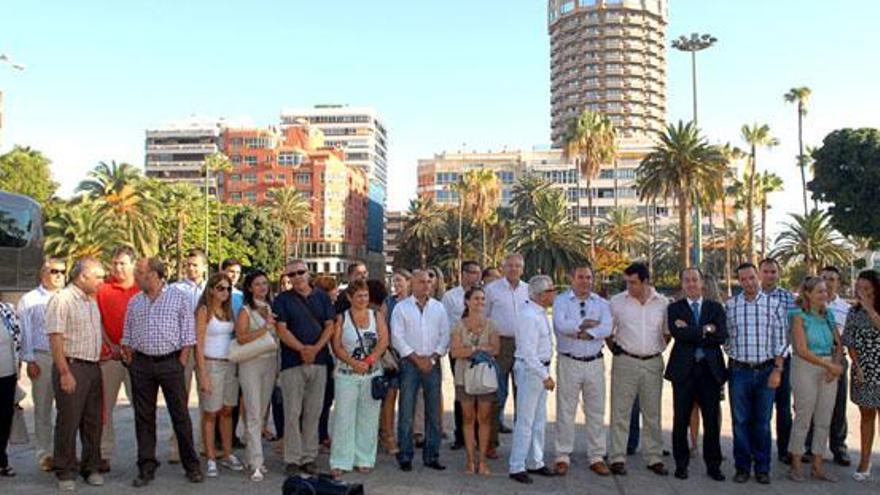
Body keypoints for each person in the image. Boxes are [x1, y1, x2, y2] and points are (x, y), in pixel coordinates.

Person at [121, 257, 203, 487]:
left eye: (139, 273)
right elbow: (127, 332)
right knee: (144, 417)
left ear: (154, 275)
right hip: (141, 365)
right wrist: (128, 351)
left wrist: (181, 361)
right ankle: (146, 466)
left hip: (171, 363)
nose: (135, 276)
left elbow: (188, 333)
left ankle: (192, 465)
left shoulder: (178, 298)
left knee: (180, 415)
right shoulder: (135, 301)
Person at [45, 257, 106, 492]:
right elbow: (55, 337)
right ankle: (65, 470)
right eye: (98, 276)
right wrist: (64, 372)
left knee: (93, 421)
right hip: (72, 366)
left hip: (92, 367)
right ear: (82, 276)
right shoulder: (62, 300)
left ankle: (91, 467)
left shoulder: (91, 300)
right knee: (68, 420)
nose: (102, 281)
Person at [725, 262, 788, 485]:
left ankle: (762, 468)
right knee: (740, 422)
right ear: (738, 281)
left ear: (757, 277)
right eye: (743, 279)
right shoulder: (730, 306)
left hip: (766, 371)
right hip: (739, 372)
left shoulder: (774, 306)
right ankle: (742, 467)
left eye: (752, 277)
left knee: (762, 422)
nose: (748, 282)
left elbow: (782, 341)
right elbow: (726, 338)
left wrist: (778, 370)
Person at [273, 260, 335, 476]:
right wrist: (302, 350)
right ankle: (292, 458)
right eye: (292, 274)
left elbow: (330, 326)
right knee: (292, 412)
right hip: (292, 363)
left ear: (308, 273)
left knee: (314, 411)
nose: (297, 276)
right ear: (288, 278)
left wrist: (315, 349)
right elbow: (281, 329)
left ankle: (309, 457)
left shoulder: (322, 297)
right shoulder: (282, 300)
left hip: (319, 362)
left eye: (301, 272)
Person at [607, 262, 670, 477]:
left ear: (645, 281)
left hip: (653, 363)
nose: (629, 286)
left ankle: (654, 457)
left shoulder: (662, 303)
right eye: (627, 282)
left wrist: (657, 349)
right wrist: (614, 348)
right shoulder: (617, 302)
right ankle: (617, 457)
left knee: (652, 412)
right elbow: (608, 329)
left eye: (633, 282)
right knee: (620, 411)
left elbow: (667, 332)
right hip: (625, 361)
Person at [665, 268, 727, 481]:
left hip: (710, 372)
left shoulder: (715, 308)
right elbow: (677, 334)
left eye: (694, 280)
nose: (691, 284)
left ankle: (714, 465)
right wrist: (705, 330)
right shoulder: (674, 308)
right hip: (684, 372)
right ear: (682, 284)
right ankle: (681, 464)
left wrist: (692, 330)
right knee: (680, 420)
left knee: (711, 421)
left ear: (702, 283)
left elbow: (721, 336)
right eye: (687, 280)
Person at [552, 263, 612, 477]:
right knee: (566, 410)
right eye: (581, 277)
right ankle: (562, 455)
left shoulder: (602, 303)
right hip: (569, 361)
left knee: (596, 411)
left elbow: (607, 327)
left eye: (588, 277)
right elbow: (561, 325)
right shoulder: (560, 301)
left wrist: (588, 332)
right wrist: (586, 325)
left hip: (595, 362)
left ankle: (596, 456)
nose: (585, 281)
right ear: (572, 278)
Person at [329, 280, 389, 478]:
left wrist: (370, 359)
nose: (363, 300)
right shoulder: (342, 318)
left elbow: (383, 340)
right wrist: (353, 363)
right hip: (347, 373)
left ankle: (364, 458)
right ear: (349, 298)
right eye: (359, 296)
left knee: (368, 418)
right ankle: (340, 460)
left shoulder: (376, 315)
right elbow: (337, 346)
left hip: (371, 373)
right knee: (343, 418)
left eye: (365, 295)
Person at [391, 269, 449, 472]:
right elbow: (397, 338)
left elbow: (445, 335)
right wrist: (416, 358)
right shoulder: (401, 308)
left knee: (433, 413)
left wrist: (432, 357)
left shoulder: (439, 308)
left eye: (428, 281)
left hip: (432, 364)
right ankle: (405, 455)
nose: (426, 285)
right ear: (412, 284)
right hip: (409, 364)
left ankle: (432, 455)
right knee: (406, 411)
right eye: (421, 282)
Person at [787, 276, 844, 482]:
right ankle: (795, 465)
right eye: (820, 291)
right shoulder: (797, 316)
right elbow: (801, 350)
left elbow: (839, 343)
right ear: (808, 294)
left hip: (828, 369)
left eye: (826, 291)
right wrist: (829, 366)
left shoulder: (828, 314)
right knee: (803, 417)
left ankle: (818, 466)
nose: (824, 295)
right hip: (805, 367)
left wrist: (835, 365)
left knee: (824, 419)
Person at [16, 257, 66, 472]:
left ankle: (65, 453)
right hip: (43, 357)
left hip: (67, 357)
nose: (59, 276)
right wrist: (30, 359)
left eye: (63, 272)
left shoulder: (70, 297)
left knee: (68, 410)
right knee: (43, 409)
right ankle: (45, 454)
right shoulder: (29, 300)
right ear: (43, 273)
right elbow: (24, 332)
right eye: (54, 271)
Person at [508, 275, 557, 484]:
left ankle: (535, 460)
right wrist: (544, 375)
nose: (554, 294)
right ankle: (517, 465)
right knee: (526, 421)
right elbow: (529, 352)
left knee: (538, 420)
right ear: (540, 295)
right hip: (532, 371)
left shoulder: (538, 313)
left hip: (538, 370)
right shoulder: (529, 315)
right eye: (551, 290)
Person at [95, 246, 140, 473]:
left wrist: (133, 348)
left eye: (123, 263)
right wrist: (111, 347)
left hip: (137, 358)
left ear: (133, 264)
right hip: (110, 357)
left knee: (142, 407)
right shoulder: (102, 290)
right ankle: (103, 453)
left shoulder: (142, 289)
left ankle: (146, 454)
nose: (118, 267)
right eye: (115, 263)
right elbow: (98, 321)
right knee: (104, 407)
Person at [195, 273, 244, 477]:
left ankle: (227, 453)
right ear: (212, 289)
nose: (225, 292)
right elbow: (198, 343)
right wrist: (203, 374)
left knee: (227, 410)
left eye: (228, 289)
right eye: (221, 288)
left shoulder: (228, 311)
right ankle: (211, 457)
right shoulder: (204, 310)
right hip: (211, 364)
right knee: (210, 413)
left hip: (229, 364)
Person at [803, 266, 852, 466]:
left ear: (838, 282)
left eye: (832, 279)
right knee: (811, 406)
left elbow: (846, 340)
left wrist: (837, 363)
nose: (828, 282)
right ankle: (810, 447)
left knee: (838, 407)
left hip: (837, 360)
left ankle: (839, 447)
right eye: (824, 278)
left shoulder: (846, 309)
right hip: (814, 361)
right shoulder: (809, 307)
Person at [449, 287, 500, 475]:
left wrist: (469, 349)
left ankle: (483, 460)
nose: (480, 302)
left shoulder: (491, 325)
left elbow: (496, 349)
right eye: (476, 298)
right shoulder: (458, 326)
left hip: (485, 378)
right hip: (464, 377)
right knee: (468, 418)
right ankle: (470, 460)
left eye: (482, 299)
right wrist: (478, 349)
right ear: (467, 302)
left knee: (484, 418)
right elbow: (455, 352)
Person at [234, 270, 278, 482]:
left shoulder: (270, 306)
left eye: (265, 283)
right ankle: (257, 463)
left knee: (261, 413)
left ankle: (252, 458)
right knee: (252, 412)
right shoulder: (245, 310)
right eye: (258, 284)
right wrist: (264, 328)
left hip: (269, 362)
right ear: (249, 288)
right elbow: (241, 338)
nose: (262, 287)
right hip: (251, 363)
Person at [442, 261, 487, 453]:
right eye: (472, 272)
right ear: (463, 273)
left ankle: (479, 436)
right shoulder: (451, 297)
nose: (476, 276)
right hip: (459, 351)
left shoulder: (485, 296)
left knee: (481, 391)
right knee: (462, 392)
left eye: (478, 272)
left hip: (481, 351)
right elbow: (444, 323)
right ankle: (460, 435)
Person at [168, 248, 207, 463]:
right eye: (188, 264)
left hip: (205, 350)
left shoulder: (213, 289)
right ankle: (177, 447)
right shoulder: (174, 290)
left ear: (203, 267)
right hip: (182, 350)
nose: (191, 268)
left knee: (206, 399)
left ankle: (201, 445)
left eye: (195, 264)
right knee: (178, 400)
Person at [842, 269, 880, 482]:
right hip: (864, 370)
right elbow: (850, 340)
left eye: (867, 288)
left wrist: (870, 309)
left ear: (875, 288)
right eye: (859, 287)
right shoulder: (853, 312)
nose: (862, 292)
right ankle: (865, 461)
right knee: (866, 416)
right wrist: (857, 365)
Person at [484, 254, 529, 436]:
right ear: (502, 268)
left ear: (523, 269)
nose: (513, 269)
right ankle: (491, 442)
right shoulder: (492, 290)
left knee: (524, 395)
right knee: (497, 394)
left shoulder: (528, 290)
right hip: (500, 344)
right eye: (509, 265)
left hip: (524, 344)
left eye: (517, 266)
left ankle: (522, 441)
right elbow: (484, 317)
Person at [759, 258, 796, 464]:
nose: (770, 275)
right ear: (759, 273)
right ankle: (760, 450)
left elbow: (791, 328)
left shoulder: (787, 297)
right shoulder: (752, 296)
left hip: (783, 359)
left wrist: (780, 354)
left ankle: (784, 450)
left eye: (773, 271)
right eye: (766, 271)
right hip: (760, 361)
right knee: (761, 411)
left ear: (778, 273)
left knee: (783, 408)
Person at [377, 268, 412, 455]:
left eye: (400, 281)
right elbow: (381, 327)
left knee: (409, 398)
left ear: (409, 282)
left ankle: (408, 435)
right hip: (391, 356)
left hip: (411, 355)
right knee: (390, 396)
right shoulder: (388, 303)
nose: (397, 284)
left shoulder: (415, 302)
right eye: (394, 281)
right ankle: (388, 435)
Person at [0, 301, 21, 477]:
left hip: (8, 374)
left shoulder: (7, 309)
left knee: (4, 419)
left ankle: (2, 460)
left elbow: (17, 337)